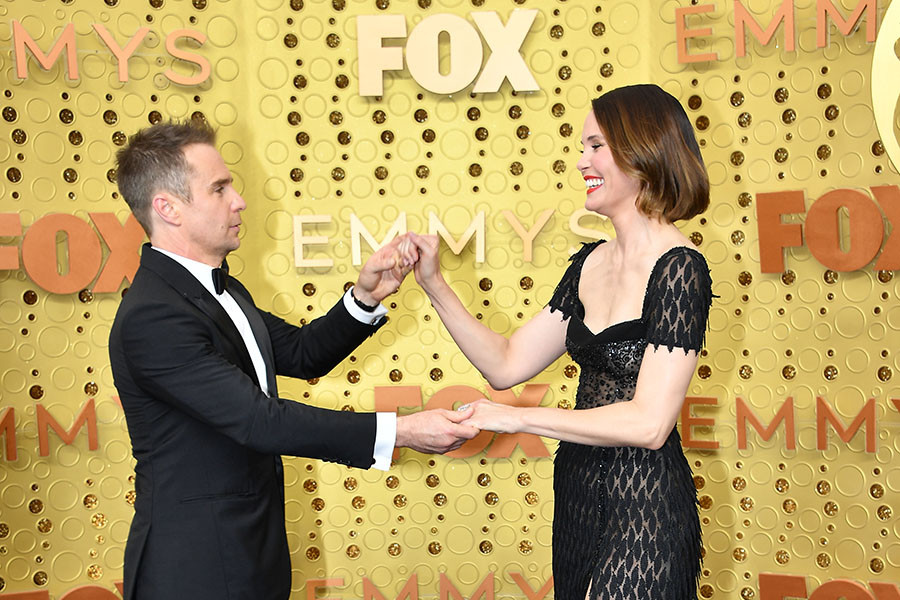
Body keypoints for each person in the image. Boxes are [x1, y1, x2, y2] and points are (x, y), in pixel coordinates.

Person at [108, 120, 478, 600]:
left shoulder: (220, 289)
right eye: (219, 188)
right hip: (193, 568)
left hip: (252, 556)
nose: (239, 200)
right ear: (168, 208)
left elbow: (302, 354)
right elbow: (259, 421)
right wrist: (402, 432)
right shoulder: (153, 316)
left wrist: (365, 296)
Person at [405, 84, 713, 599]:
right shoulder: (588, 263)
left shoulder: (680, 269)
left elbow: (649, 423)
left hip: (645, 514)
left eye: (596, 146)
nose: (580, 161)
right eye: (581, 146)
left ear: (642, 151)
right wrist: (434, 284)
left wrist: (519, 417)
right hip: (576, 501)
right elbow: (505, 365)